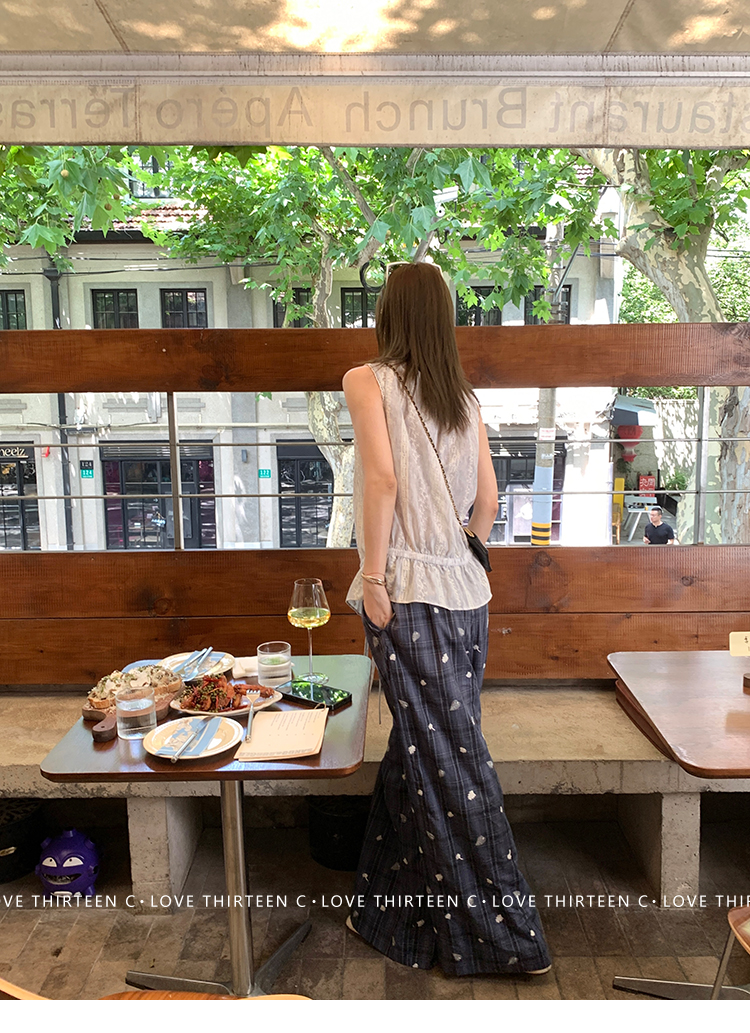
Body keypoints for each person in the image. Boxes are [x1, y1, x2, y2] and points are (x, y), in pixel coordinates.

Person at [342, 261, 551, 978]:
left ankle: (508, 938)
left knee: (451, 761)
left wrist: (375, 578)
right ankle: (389, 917)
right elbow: (487, 502)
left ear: (388, 313)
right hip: (466, 594)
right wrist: (464, 554)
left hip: (404, 590)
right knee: (424, 750)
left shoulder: (366, 381)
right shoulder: (463, 397)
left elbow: (382, 480)